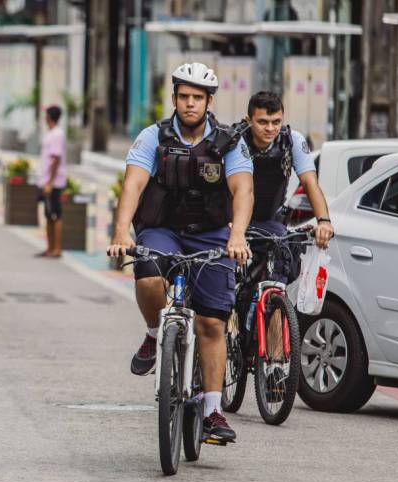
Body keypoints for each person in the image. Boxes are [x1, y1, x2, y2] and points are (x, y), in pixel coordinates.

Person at [108, 62, 254, 443]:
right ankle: (155, 332)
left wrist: (237, 236)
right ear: (174, 99)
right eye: (184, 96)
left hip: (210, 235)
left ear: (209, 102)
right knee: (149, 272)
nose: (190, 104)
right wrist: (122, 230)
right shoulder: (151, 138)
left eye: (198, 98)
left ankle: (212, 412)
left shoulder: (229, 141)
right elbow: (132, 187)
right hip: (162, 229)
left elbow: (243, 191)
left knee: (211, 324)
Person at [240, 90, 334, 250]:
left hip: (270, 221)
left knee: (283, 263)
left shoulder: (292, 141)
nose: (270, 128)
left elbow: (310, 182)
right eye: (263, 122)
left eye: (276, 122)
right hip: (232, 221)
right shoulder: (234, 140)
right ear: (249, 121)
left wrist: (324, 222)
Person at [36, 105, 67, 258]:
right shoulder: (51, 134)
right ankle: (49, 248)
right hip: (46, 181)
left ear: (49, 116)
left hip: (54, 183)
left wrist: (50, 182)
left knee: (55, 215)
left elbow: (56, 159)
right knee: (48, 215)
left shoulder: (57, 134)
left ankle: (57, 249)